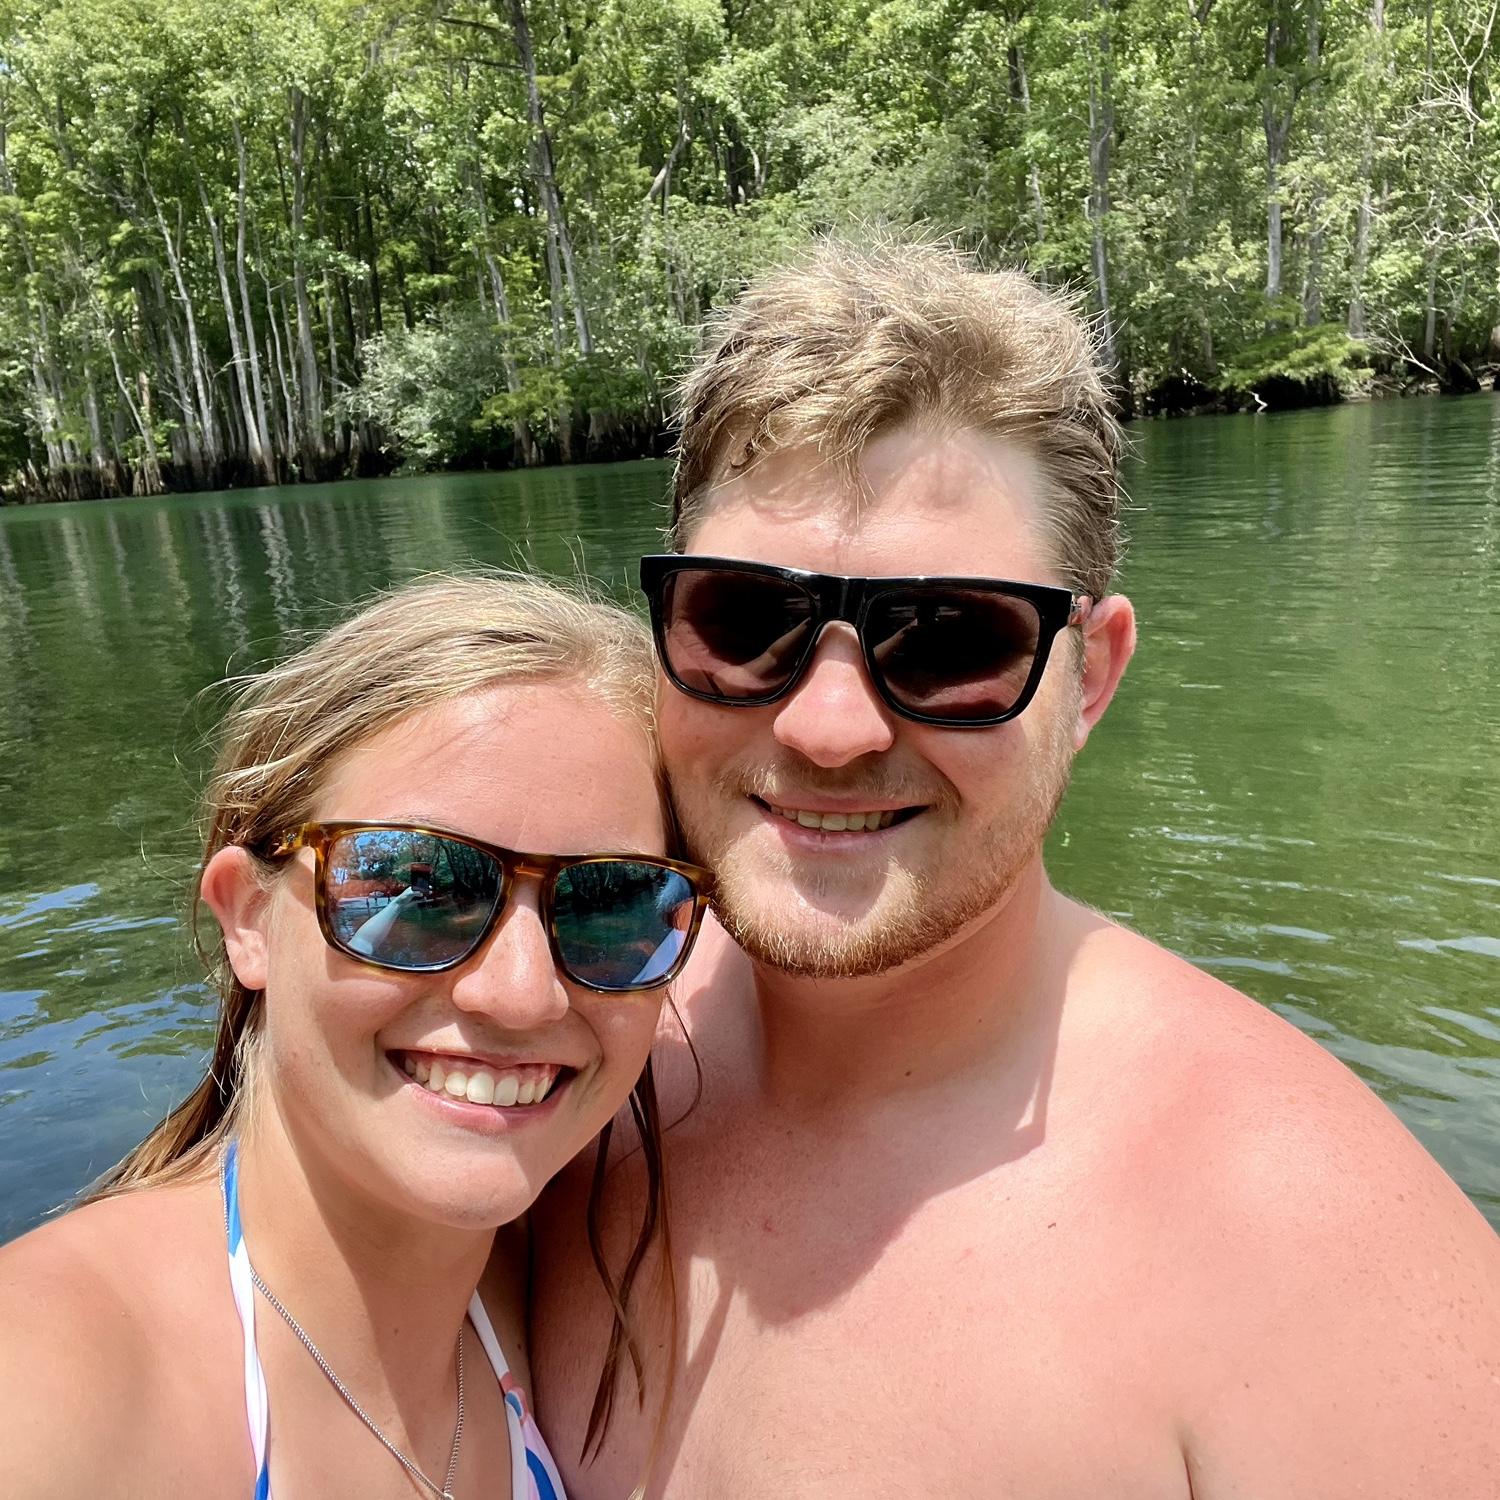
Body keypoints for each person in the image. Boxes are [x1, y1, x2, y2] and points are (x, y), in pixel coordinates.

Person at [528, 239, 1500, 1497]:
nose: (829, 728)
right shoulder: (554, 1038)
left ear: (1088, 681)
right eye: (746, 619)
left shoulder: (1318, 1258)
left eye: (948, 641)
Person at [0, 573, 709, 1500]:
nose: (523, 995)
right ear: (248, 917)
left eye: (613, 902)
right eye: (418, 886)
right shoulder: (55, 1386)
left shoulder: (544, 1283)